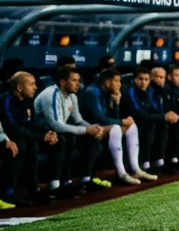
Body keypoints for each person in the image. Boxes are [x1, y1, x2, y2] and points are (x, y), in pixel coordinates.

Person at [34, 65, 111, 197]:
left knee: (90, 137)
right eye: (74, 80)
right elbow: (56, 125)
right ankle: (55, 186)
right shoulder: (50, 95)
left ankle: (85, 180)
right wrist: (86, 130)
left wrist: (94, 128)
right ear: (63, 82)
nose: (78, 84)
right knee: (66, 138)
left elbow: (78, 120)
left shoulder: (72, 97)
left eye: (79, 80)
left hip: (58, 132)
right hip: (42, 134)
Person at [79, 68, 152, 185]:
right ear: (108, 82)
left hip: (103, 128)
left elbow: (111, 117)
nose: (120, 84)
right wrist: (121, 121)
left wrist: (117, 105)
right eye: (117, 81)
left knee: (131, 126)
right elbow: (99, 117)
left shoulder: (109, 93)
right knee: (117, 127)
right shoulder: (93, 92)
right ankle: (121, 173)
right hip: (90, 131)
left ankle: (135, 168)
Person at [1, 72, 57, 205]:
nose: (35, 87)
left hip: (18, 137)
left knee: (33, 143)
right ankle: (8, 192)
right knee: (20, 144)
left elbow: (31, 125)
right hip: (6, 138)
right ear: (19, 87)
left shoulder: (27, 101)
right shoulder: (6, 102)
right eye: (31, 84)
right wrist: (42, 137)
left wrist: (48, 134)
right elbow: (12, 129)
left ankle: (34, 190)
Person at [124, 66, 175, 174]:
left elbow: (154, 108)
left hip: (143, 121)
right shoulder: (130, 91)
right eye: (140, 79)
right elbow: (139, 114)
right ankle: (144, 163)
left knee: (163, 124)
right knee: (150, 125)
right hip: (130, 122)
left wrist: (168, 115)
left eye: (146, 79)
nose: (143, 82)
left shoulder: (149, 91)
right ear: (135, 79)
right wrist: (163, 116)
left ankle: (159, 161)